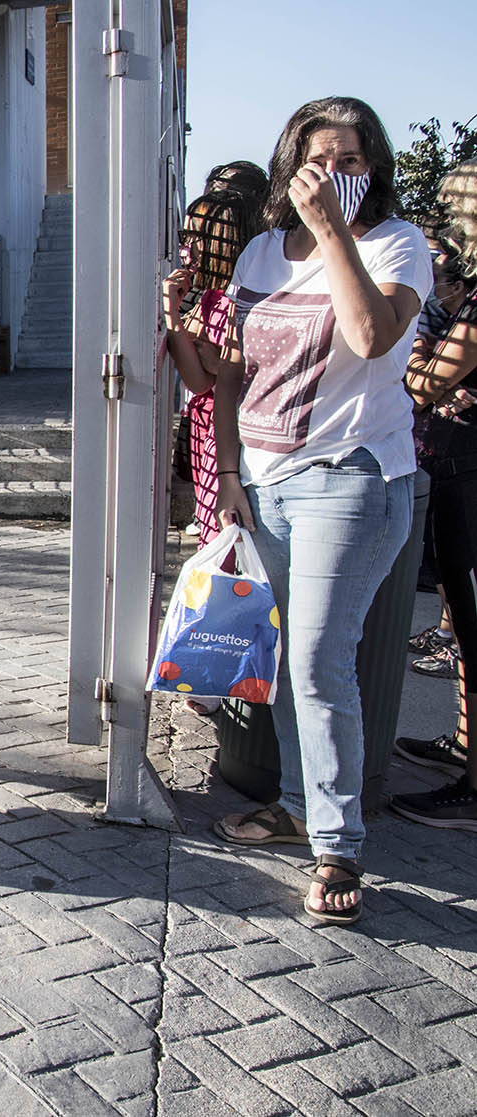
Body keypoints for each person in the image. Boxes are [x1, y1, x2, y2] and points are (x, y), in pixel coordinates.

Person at [205, 97, 433, 925]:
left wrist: (334, 229)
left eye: (352, 157)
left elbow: (372, 337)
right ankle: (298, 804)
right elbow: (234, 370)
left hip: (354, 480)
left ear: (372, 168)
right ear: (288, 165)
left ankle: (338, 847)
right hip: (267, 483)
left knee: (317, 661)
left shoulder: (397, 244)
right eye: (318, 157)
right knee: (290, 661)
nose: (334, 171)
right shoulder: (262, 252)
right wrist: (230, 469)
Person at [391, 160, 477, 831]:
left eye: (457, 210)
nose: (448, 227)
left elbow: (425, 384)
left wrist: (416, 347)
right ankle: (463, 748)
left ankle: (473, 787)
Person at [164, 180, 269, 546]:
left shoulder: (238, 303)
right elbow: (199, 373)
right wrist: (173, 314)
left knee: (228, 537)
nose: (185, 249)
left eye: (194, 238)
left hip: (225, 435)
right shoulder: (210, 298)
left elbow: (200, 379)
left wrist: (176, 320)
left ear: (221, 242)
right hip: (209, 433)